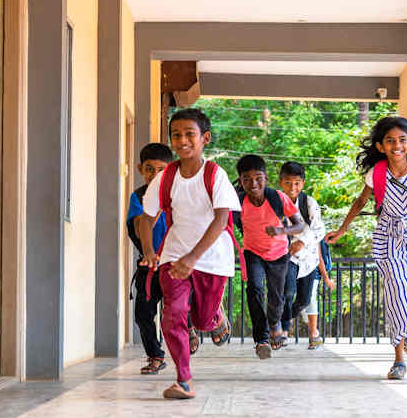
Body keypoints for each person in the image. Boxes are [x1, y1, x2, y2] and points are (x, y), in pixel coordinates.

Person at [326, 116, 407, 380]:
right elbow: (361, 202)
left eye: (402, 140)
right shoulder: (378, 173)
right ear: (381, 146)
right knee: (394, 289)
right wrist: (342, 229)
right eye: (390, 141)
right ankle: (399, 359)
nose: (396, 145)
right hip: (388, 235)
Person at [139, 108, 240, 399]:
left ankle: (215, 320)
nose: (182, 140)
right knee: (173, 314)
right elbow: (146, 218)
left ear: (204, 138)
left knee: (201, 319)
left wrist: (193, 259)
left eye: (189, 134)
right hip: (174, 256)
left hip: (211, 259)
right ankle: (183, 380)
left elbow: (221, 220)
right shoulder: (165, 177)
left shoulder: (215, 175)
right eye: (176, 135)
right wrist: (149, 251)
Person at [236, 155, 306, 359]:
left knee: (277, 298)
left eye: (258, 178)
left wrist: (281, 231)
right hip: (252, 252)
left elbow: (300, 225)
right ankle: (262, 339)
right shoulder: (239, 201)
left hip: (278, 254)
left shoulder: (278, 197)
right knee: (255, 289)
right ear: (240, 181)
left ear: (266, 178)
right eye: (246, 179)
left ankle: (274, 322)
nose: (253, 183)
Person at [126, 143, 174, 374]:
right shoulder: (138, 197)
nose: (155, 175)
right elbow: (136, 226)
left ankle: (194, 327)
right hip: (149, 264)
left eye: (161, 170)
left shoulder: (178, 195)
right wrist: (148, 252)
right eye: (149, 169)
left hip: (175, 263)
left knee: (179, 310)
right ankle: (155, 355)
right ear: (140, 169)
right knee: (143, 314)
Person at [278, 161, 334, 349]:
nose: (292, 187)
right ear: (281, 183)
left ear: (302, 183)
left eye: (296, 183)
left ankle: (285, 318)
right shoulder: (276, 203)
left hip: (309, 257)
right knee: (287, 292)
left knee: (304, 299)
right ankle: (283, 330)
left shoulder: (308, 202)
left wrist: (302, 242)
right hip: (288, 256)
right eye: (288, 183)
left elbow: (319, 230)